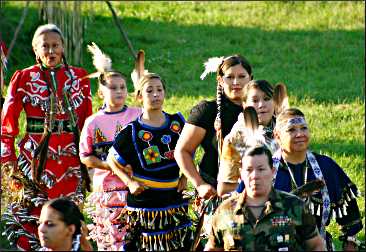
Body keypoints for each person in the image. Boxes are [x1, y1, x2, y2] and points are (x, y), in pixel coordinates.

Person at [1, 23, 92, 250]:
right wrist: (7, 157)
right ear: (35, 50)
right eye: (45, 46)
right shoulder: (23, 78)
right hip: (34, 159)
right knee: (33, 210)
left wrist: (90, 158)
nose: (51, 51)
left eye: (55, 45)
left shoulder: (80, 77)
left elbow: (86, 121)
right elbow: (7, 124)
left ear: (63, 48)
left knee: (69, 211)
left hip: (70, 158)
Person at [106, 59, 192, 251]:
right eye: (149, 91)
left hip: (174, 198)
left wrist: (185, 176)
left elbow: (189, 149)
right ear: (138, 96)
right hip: (146, 202)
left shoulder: (178, 123)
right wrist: (130, 183)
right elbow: (112, 159)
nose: (155, 95)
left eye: (159, 90)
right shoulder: (132, 132)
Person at [272, 108, 363, 251]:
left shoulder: (326, 166)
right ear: (277, 136)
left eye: (304, 128)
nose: (300, 134)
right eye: (291, 130)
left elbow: (349, 211)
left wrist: (350, 240)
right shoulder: (265, 169)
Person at [79, 43, 141, 250]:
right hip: (107, 189)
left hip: (135, 186)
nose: (119, 91)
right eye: (113, 88)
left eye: (123, 87)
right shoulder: (93, 122)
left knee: (134, 237)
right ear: (100, 93)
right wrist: (112, 166)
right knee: (110, 238)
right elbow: (86, 156)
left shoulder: (137, 115)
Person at [205, 145, 326, 251]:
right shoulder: (225, 211)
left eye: (261, 169)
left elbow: (316, 245)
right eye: (249, 170)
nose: (255, 176)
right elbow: (213, 248)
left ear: (272, 171)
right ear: (241, 174)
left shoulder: (295, 206)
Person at [175, 54, 253, 200]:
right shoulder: (207, 111)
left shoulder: (262, 111)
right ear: (220, 80)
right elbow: (182, 151)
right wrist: (199, 184)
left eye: (242, 76)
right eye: (230, 77)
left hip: (255, 190)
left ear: (251, 78)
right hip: (214, 192)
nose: (236, 82)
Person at [217, 79, 288, 196]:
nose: (261, 105)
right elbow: (224, 189)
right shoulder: (236, 138)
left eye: (266, 99)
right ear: (245, 105)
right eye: (255, 100)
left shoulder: (285, 130)